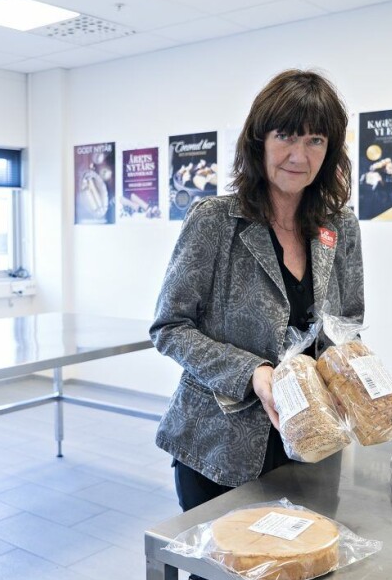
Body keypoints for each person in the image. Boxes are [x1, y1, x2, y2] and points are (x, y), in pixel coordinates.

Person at [150, 69, 364, 512]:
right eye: (286, 135)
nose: (298, 155)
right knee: (225, 578)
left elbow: (348, 324)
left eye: (315, 141)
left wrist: (360, 381)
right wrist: (253, 373)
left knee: (304, 569)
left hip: (312, 440)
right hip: (220, 449)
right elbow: (170, 326)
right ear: (258, 140)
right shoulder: (215, 220)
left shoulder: (340, 225)